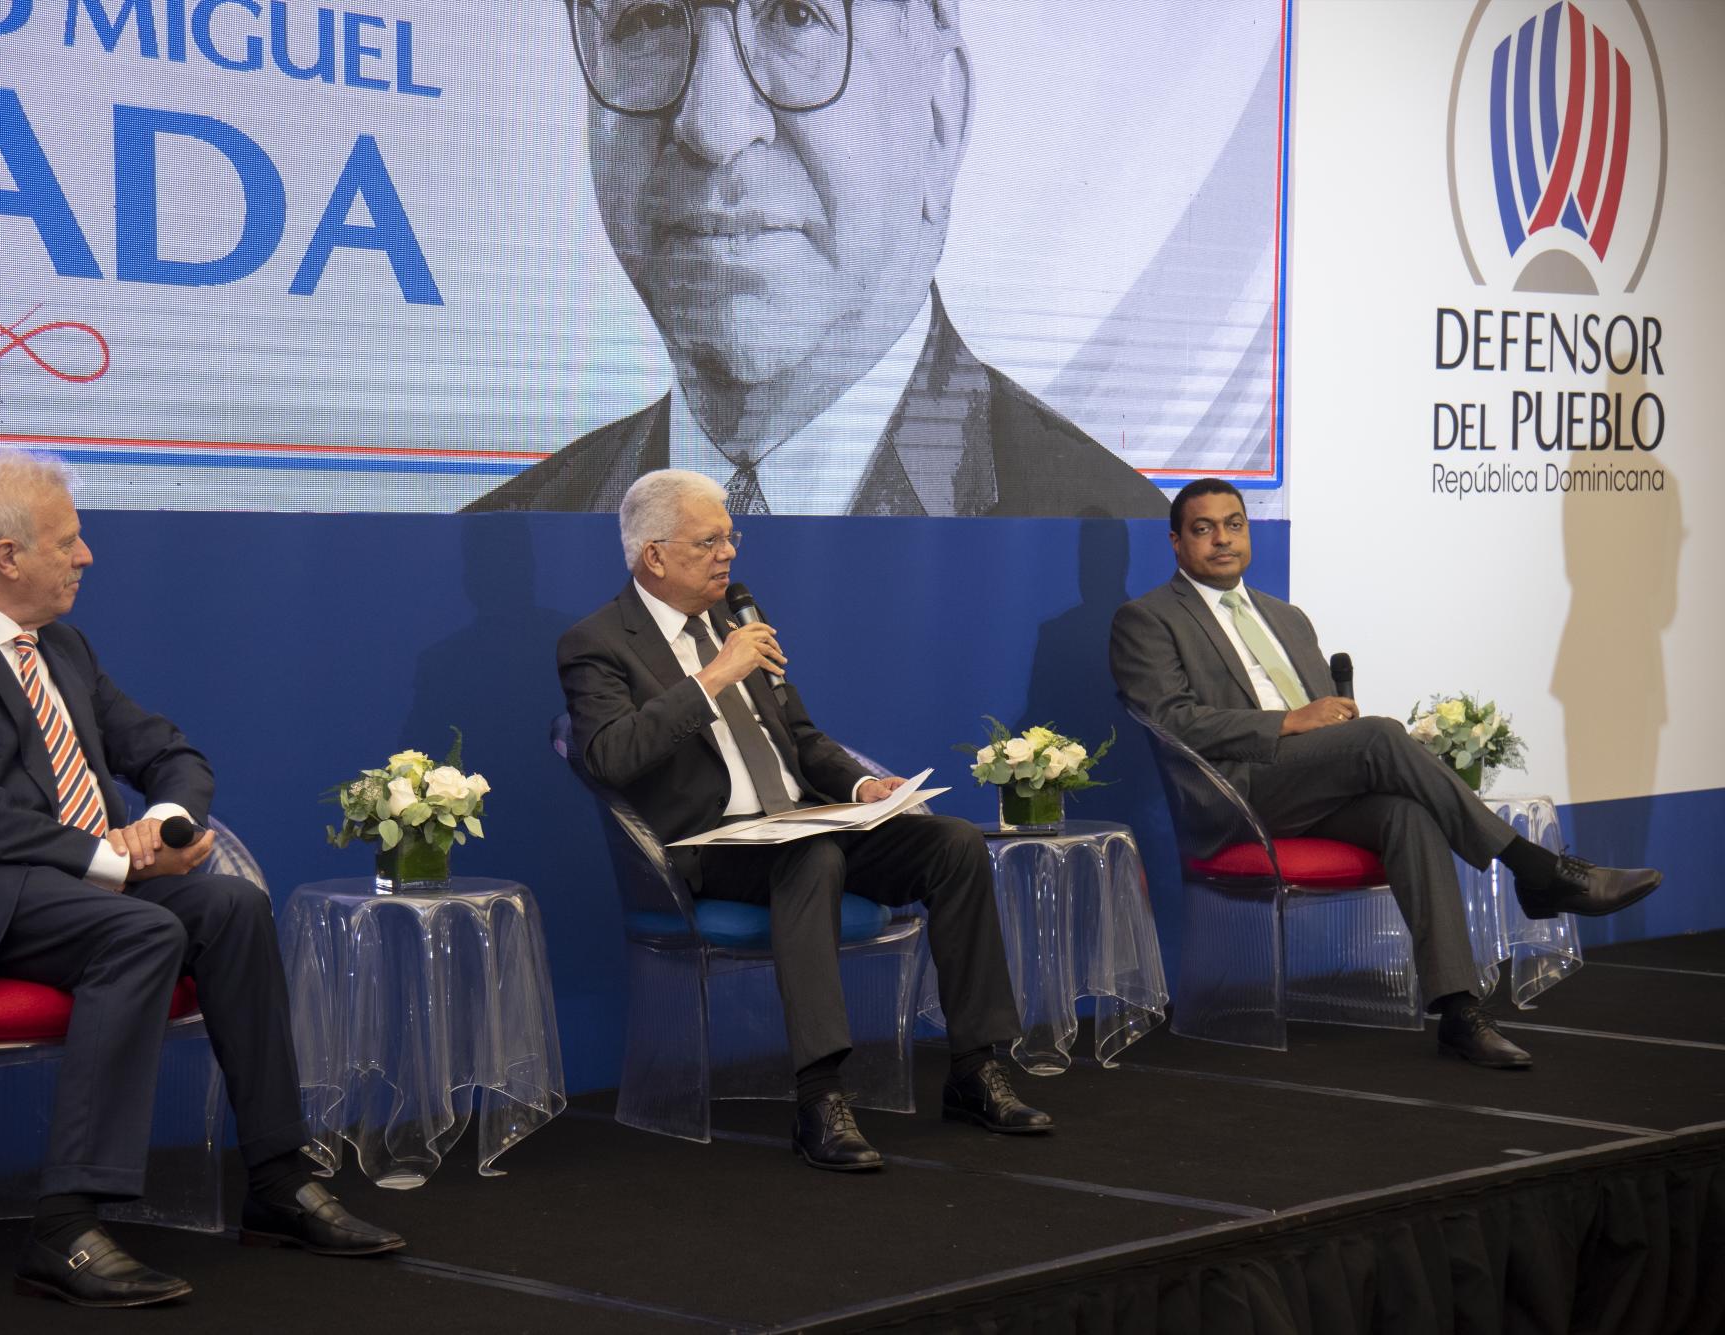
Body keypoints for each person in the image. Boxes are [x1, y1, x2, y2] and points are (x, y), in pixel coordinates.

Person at [0, 448, 401, 1307]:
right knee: (143, 926)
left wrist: (164, 825)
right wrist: (118, 857)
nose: (87, 555)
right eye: (69, 539)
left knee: (232, 904)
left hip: (60, 887)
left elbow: (167, 750)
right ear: (7, 556)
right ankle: (64, 1226)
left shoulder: (61, 647)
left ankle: (279, 1178)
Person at [466, 0, 1165, 519]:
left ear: (939, 114)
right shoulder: (501, 537)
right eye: (645, 20)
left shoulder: (1118, 546)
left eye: (794, 16)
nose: (711, 125)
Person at [558, 469, 1049, 1169]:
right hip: (709, 847)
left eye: (731, 537)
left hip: (801, 822)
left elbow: (804, 740)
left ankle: (976, 1065)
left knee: (954, 844)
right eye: (710, 541)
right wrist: (713, 678)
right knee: (812, 857)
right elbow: (609, 756)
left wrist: (863, 784)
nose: (730, 553)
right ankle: (820, 1096)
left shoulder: (736, 623)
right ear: (655, 555)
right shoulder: (598, 642)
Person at [1109, 478, 1664, 1068]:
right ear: (1176, 542)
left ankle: (1457, 1010)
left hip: (1312, 785)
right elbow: (1171, 719)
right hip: (1238, 793)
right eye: (1204, 528)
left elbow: (1325, 724)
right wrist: (1288, 723)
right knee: (1378, 735)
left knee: (1408, 814)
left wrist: (1322, 729)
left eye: (1234, 524)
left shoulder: (1287, 617)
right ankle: (1537, 868)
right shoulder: (1146, 618)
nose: (1223, 539)